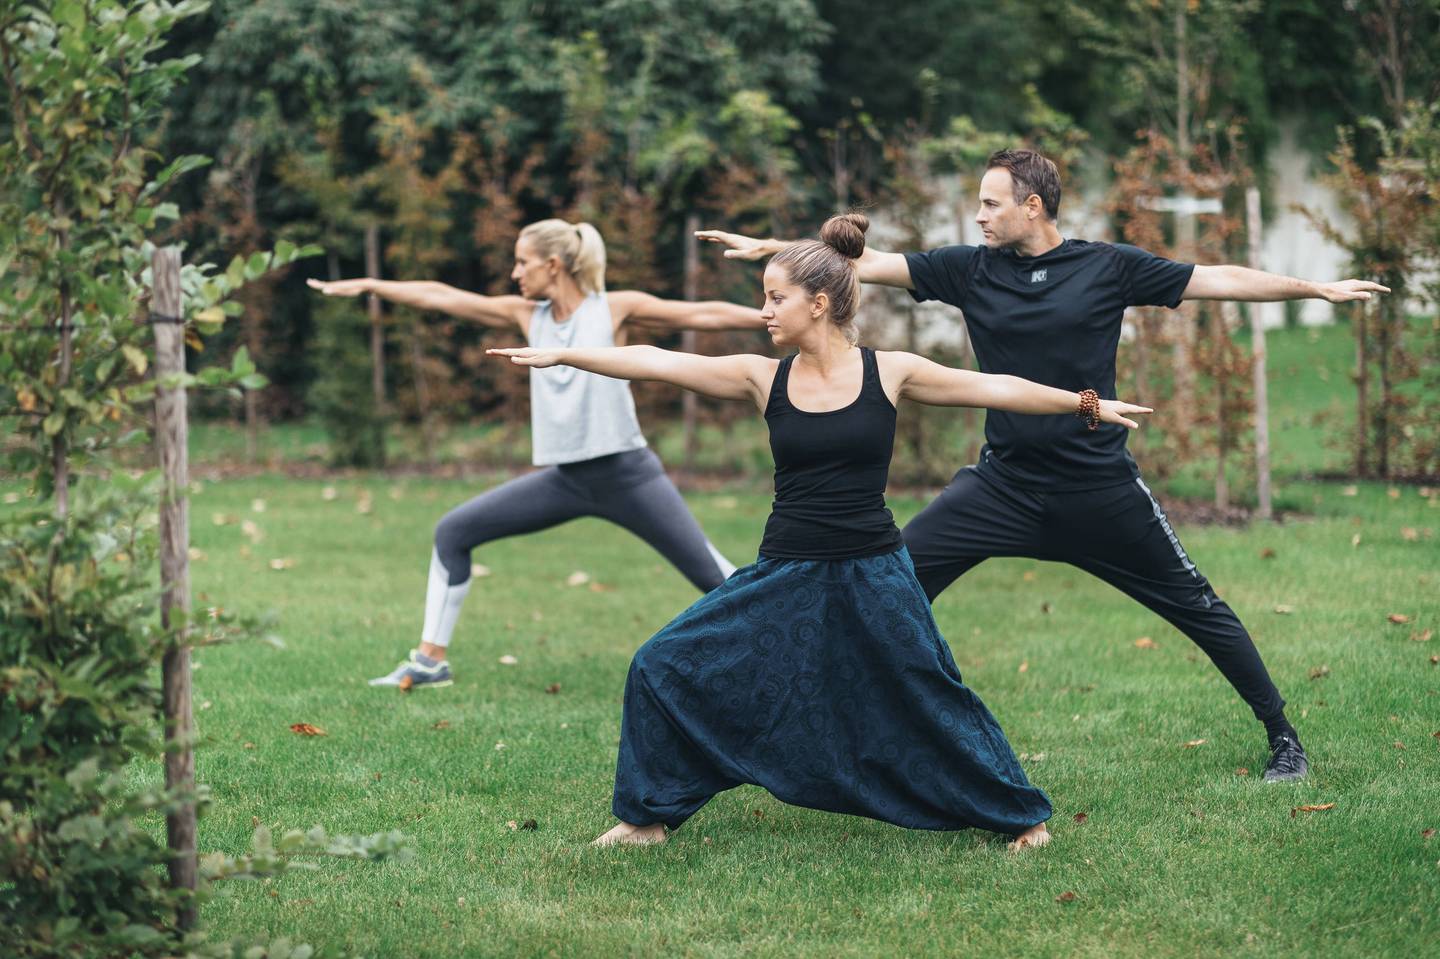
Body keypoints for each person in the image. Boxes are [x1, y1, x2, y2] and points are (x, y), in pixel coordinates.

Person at [696, 149, 1392, 783]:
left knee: (1197, 606)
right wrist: (781, 253)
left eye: (991, 202)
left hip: (1098, 491)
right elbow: (863, 264)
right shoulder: (969, 268)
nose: (978, 214)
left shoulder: (1106, 265)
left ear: (1033, 205)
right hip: (1001, 486)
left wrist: (1315, 290)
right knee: (889, 585)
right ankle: (816, 729)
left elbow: (1218, 279)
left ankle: (1283, 736)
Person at [490, 213, 1153, 849]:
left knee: (928, 697)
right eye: (764, 298)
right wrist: (564, 355)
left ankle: (1021, 816)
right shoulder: (762, 376)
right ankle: (646, 819)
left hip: (875, 570)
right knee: (661, 664)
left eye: (776, 298)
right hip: (787, 571)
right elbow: (654, 360)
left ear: (820, 302)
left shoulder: (890, 371)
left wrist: (1084, 402)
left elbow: (995, 387)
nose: (765, 311)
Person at [310, 218, 767, 688]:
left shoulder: (614, 309)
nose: (514, 273)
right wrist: (370, 285)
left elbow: (700, 314)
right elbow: (441, 296)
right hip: (565, 481)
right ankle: (429, 662)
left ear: (553, 265)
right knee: (454, 532)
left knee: (717, 579)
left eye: (522, 262)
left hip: (628, 476)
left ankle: (791, 644)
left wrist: (773, 316)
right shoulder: (528, 316)